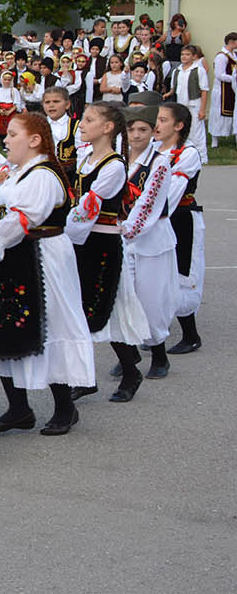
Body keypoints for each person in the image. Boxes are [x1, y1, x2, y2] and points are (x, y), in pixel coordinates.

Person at [0, 114, 93, 437]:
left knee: (49, 324)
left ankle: (66, 407)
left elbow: (23, 219)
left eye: (12, 134)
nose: (5, 140)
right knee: (6, 325)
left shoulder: (43, 175)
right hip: (16, 254)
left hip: (42, 256)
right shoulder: (21, 172)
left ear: (35, 140)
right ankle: (19, 408)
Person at [64, 102, 149, 402]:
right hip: (83, 241)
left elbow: (89, 208)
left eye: (88, 120)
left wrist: (62, 233)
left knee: (102, 309)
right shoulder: (87, 158)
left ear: (108, 127)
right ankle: (89, 375)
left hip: (101, 244)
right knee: (83, 310)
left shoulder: (113, 165)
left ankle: (129, 370)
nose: (81, 125)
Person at [119, 102, 178, 381]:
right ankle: (129, 354)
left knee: (151, 300)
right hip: (121, 238)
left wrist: (128, 229)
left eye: (143, 129)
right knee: (125, 298)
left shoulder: (160, 162)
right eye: (131, 129)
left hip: (151, 238)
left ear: (153, 131)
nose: (137, 135)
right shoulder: (119, 160)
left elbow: (149, 202)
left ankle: (159, 355)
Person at [159, 102, 204, 356]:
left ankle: (191, 335)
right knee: (159, 274)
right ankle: (157, 333)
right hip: (159, 217)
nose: (157, 124)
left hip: (182, 218)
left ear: (179, 126)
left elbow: (171, 194)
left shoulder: (188, 153)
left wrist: (150, 214)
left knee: (183, 274)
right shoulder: (152, 151)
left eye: (163, 120)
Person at [167, 44, 210, 163]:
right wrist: (168, 93)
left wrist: (202, 109)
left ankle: (201, 157)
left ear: (194, 56)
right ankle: (184, 156)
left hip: (194, 104)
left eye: (187, 55)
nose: (184, 57)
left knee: (196, 132)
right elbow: (174, 88)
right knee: (183, 131)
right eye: (182, 54)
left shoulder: (198, 70)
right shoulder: (177, 70)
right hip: (181, 105)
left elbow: (204, 90)